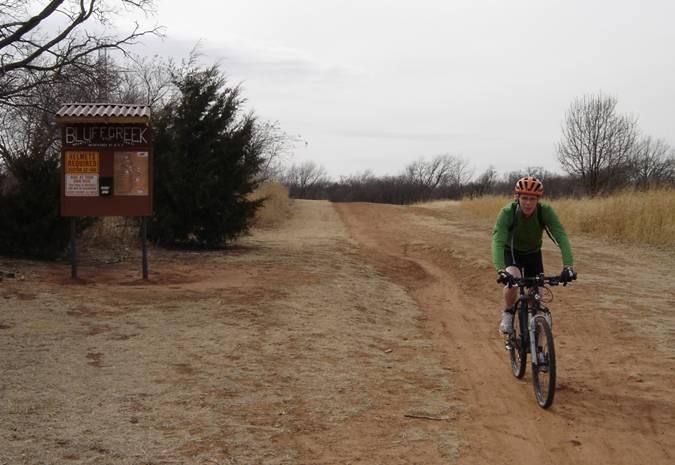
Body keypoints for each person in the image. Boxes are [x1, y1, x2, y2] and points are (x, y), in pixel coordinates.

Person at [491, 176, 575, 334]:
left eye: (532, 199)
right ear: (517, 198)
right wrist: (501, 270)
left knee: (536, 299)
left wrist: (568, 266)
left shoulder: (545, 212)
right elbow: (498, 240)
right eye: (524, 198)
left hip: (533, 254)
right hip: (512, 252)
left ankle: (541, 352)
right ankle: (508, 313)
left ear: (538, 199)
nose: (528, 203)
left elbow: (561, 236)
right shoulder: (507, 213)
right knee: (512, 280)